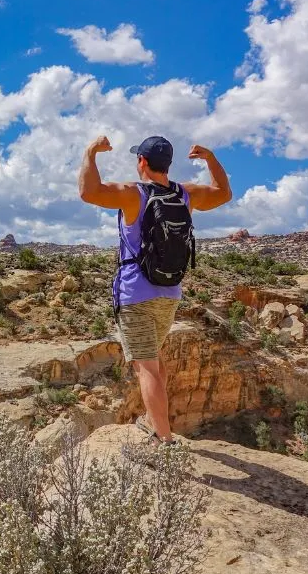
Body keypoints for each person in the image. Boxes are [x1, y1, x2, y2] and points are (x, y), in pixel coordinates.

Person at [77, 135, 232, 445]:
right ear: (168, 164)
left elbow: (88, 192)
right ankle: (154, 420)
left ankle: (163, 439)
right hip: (169, 293)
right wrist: (211, 158)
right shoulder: (184, 194)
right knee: (156, 361)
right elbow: (223, 193)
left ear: (142, 161)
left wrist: (90, 153)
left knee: (145, 367)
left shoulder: (133, 193)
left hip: (135, 294)